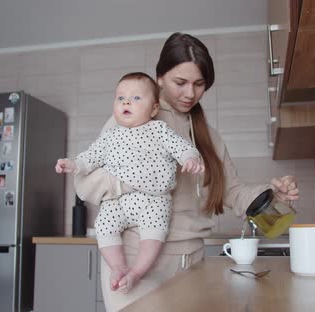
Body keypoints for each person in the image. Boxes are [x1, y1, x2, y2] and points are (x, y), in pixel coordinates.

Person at [72, 32, 300, 311]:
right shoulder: (133, 120)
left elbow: (232, 190)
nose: (190, 93)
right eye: (180, 82)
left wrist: (271, 195)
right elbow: (85, 183)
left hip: (194, 260)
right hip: (137, 260)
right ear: (159, 78)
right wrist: (145, 180)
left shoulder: (209, 136)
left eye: (199, 84)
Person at [55, 72, 204, 294]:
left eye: (136, 98)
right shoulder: (110, 135)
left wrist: (189, 158)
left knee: (154, 234)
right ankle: (118, 266)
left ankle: (137, 272)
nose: (126, 102)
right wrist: (74, 164)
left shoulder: (158, 129)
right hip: (118, 200)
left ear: (154, 109)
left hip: (153, 200)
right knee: (103, 226)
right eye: (120, 98)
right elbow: (91, 156)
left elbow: (180, 146)